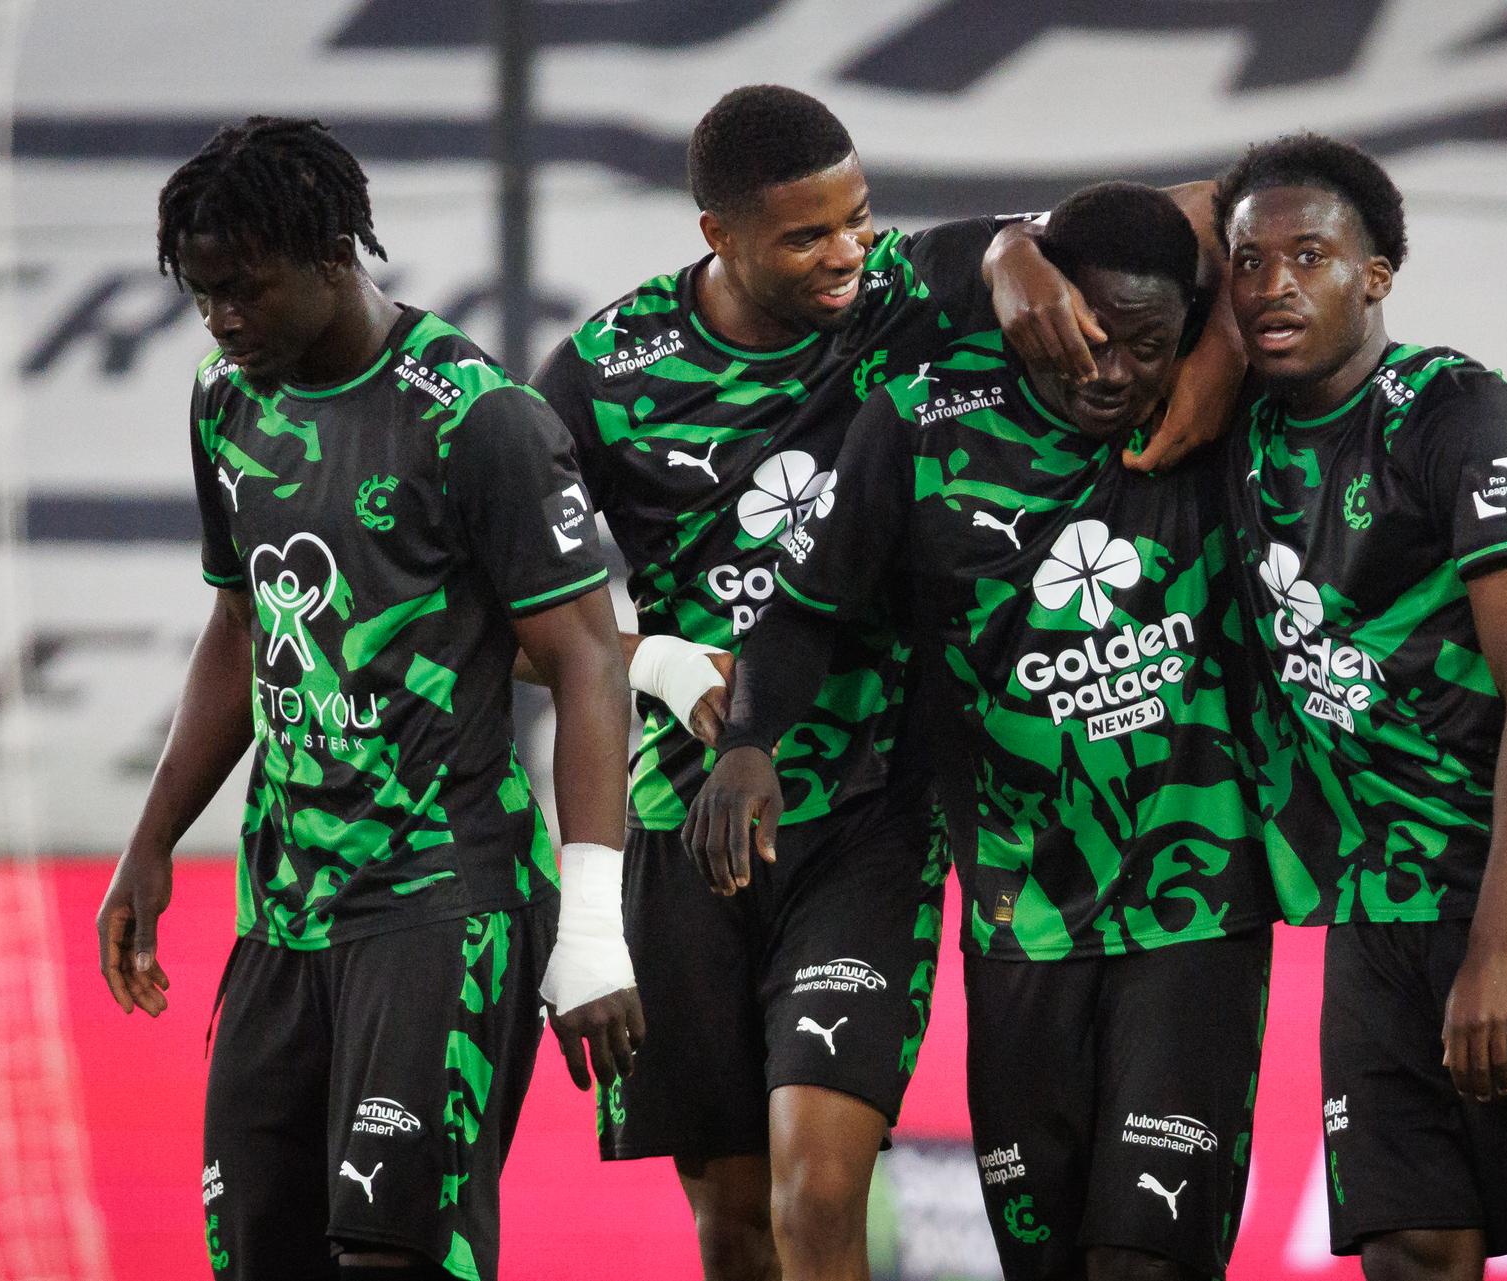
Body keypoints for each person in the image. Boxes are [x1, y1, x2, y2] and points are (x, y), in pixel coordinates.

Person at [530, 86, 1238, 1281]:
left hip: (871, 809)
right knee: (735, 1226)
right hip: (687, 812)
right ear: (718, 235)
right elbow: (494, 610)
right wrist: (655, 661)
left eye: (859, 217)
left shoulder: (910, 288)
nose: (849, 252)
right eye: (808, 235)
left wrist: (1024, 256)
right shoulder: (601, 374)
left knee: (819, 1195)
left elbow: (1218, 209)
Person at [690, 181, 1277, 1281]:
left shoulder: (1226, 410)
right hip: (1019, 924)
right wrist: (749, 739)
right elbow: (806, 608)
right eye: (1088, 338)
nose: (1113, 373)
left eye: (1147, 347)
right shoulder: (922, 423)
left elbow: (1266, 199)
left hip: (1196, 916)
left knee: (1143, 1261)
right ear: (1038, 310)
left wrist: (1228, 348)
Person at [95, 116, 640, 1281]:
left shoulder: (477, 417)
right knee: (260, 1254)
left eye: (244, 289)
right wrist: (152, 839)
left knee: (392, 1259)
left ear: (335, 252)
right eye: (202, 296)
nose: (220, 319)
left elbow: (589, 663)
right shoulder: (224, 400)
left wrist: (595, 929)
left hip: (446, 903)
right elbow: (243, 622)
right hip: (284, 909)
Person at [1215, 133, 1507, 1281]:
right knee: (1411, 1249)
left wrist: (1497, 950)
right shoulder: (1234, 431)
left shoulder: (1461, 417)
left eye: (1311, 255)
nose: (1274, 283)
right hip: (1377, 905)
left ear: (1376, 274)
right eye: (1248, 261)